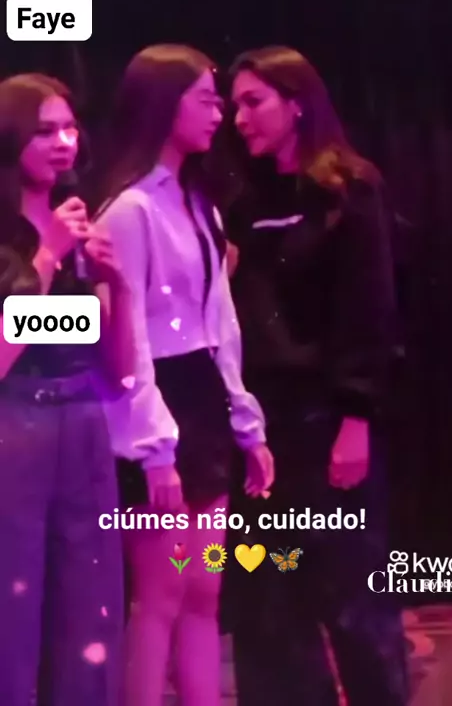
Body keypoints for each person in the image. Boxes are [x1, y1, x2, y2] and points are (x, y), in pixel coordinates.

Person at [222, 46, 409, 705]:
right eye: (233, 105)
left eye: (254, 102)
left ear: (297, 103)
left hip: (327, 421)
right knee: (271, 611)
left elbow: (370, 309)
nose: (239, 118)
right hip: (259, 432)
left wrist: (356, 417)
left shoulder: (347, 190)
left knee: (355, 600)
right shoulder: (240, 202)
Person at [93, 44, 274, 706]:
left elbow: (220, 325)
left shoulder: (200, 205)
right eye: (206, 100)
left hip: (202, 397)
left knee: (204, 591)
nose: (219, 113)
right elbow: (131, 340)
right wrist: (154, 451)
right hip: (155, 405)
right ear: (165, 106)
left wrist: (247, 426)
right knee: (160, 596)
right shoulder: (131, 210)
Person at [0, 73, 135, 706]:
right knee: (12, 612)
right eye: (44, 131)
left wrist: (119, 287)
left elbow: (120, 374)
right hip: (14, 427)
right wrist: (47, 258)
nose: (63, 142)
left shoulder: (76, 223)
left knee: (89, 613)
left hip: (83, 422)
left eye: (69, 129)